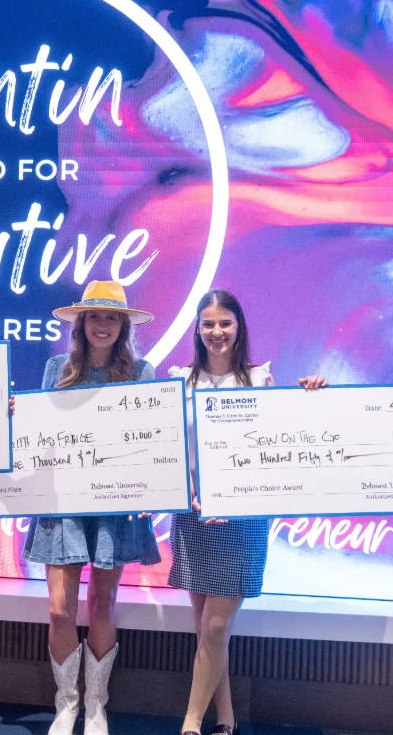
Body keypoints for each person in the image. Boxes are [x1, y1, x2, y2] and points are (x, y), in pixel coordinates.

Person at [168, 289, 327, 735]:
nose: (217, 333)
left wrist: (313, 396)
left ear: (239, 327)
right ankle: (227, 719)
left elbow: (280, 441)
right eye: (208, 324)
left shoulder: (261, 380)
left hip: (244, 521)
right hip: (195, 516)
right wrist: (191, 493)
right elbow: (171, 452)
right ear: (197, 330)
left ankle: (190, 724)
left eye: (225, 323)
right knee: (206, 630)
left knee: (216, 629)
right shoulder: (181, 381)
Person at [21, 280, 160, 735]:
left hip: (112, 506)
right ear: (81, 323)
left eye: (112, 317)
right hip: (62, 502)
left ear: (123, 326)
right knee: (60, 610)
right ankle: (67, 704)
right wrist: (9, 416)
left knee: (102, 604)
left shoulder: (142, 373)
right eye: (95, 316)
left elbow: (151, 442)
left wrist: (147, 490)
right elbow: (36, 437)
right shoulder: (55, 369)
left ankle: (96, 705)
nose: (103, 325)